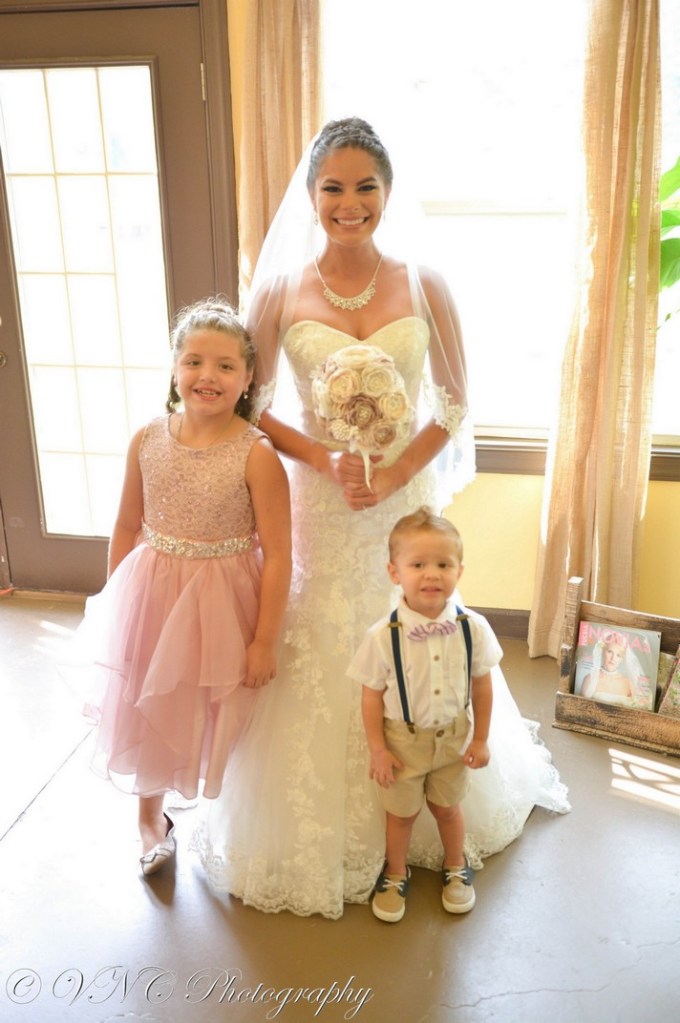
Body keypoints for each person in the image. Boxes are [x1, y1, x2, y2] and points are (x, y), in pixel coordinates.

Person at [194, 117, 570, 918]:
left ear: (388, 193)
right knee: (324, 630)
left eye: (366, 186)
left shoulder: (424, 283)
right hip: (320, 497)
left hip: (401, 499)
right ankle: (333, 819)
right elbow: (252, 402)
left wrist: (396, 467)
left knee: (416, 619)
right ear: (311, 195)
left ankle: (438, 801)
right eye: (333, 187)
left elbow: (455, 401)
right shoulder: (280, 291)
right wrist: (320, 455)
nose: (350, 202)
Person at [77, 298, 291, 875]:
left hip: (227, 601)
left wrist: (264, 640)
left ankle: (233, 813)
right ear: (175, 369)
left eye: (225, 365)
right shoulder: (147, 438)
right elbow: (127, 525)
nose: (207, 376)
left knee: (222, 706)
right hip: (153, 593)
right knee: (151, 702)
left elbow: (279, 554)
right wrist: (117, 607)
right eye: (194, 361)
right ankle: (150, 819)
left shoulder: (257, 454)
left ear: (247, 378)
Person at [349, 508, 501, 923]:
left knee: (448, 808)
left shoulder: (473, 628)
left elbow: (482, 686)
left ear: (459, 571)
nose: (431, 574)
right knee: (401, 814)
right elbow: (370, 697)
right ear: (394, 572)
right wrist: (378, 749)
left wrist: (481, 738)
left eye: (443, 565)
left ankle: (456, 865)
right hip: (402, 743)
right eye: (418, 565)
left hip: (453, 739)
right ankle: (395, 873)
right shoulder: (382, 636)